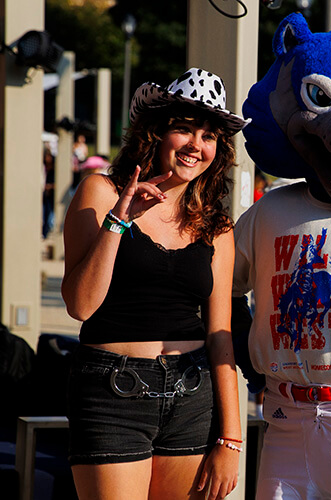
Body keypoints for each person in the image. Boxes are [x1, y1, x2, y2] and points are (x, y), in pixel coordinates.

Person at [61, 68, 249, 500]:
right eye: (184, 130)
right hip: (112, 394)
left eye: (208, 136)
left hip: (192, 393)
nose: (196, 145)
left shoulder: (216, 227)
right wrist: (120, 221)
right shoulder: (101, 193)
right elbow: (80, 305)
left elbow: (220, 338)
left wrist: (231, 439)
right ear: (155, 134)